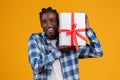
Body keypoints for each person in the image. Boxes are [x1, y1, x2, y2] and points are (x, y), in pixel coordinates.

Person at [28, 7, 103, 80]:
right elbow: (36, 67)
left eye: (52, 20)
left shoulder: (69, 40)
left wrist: (87, 30)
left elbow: (97, 52)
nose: (48, 25)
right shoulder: (35, 39)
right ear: (41, 25)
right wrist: (59, 51)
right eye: (44, 22)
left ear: (58, 22)